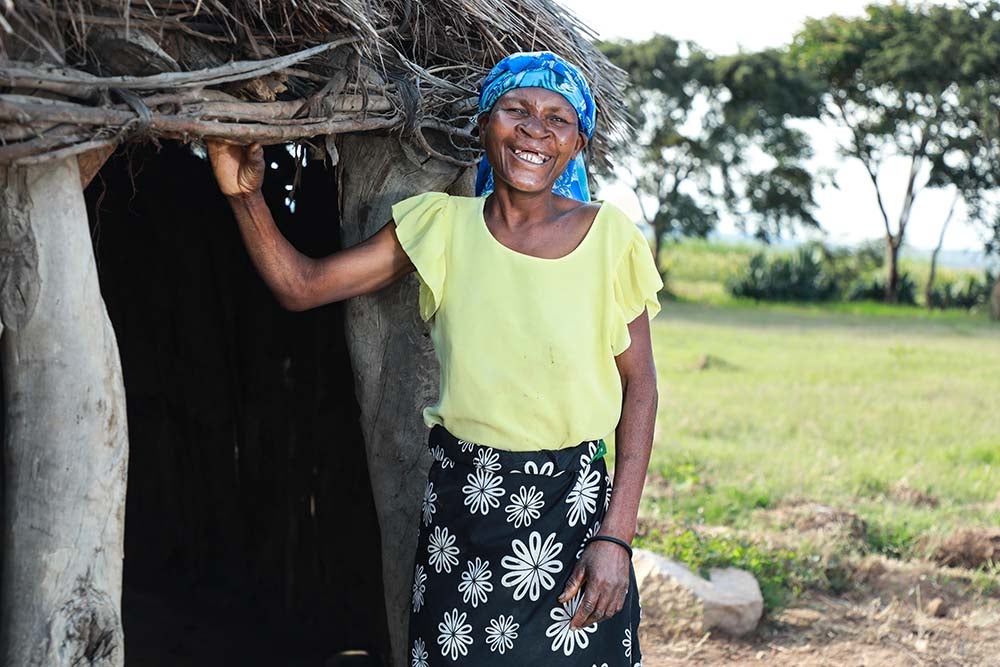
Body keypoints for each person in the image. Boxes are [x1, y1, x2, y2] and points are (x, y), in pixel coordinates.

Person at [208, 50, 661, 666]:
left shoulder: (611, 239)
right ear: (483, 125)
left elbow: (641, 390)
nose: (535, 128)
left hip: (576, 519)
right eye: (516, 109)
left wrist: (617, 536)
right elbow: (301, 284)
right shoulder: (441, 227)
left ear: (576, 143)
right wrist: (245, 197)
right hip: (464, 517)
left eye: (558, 118)